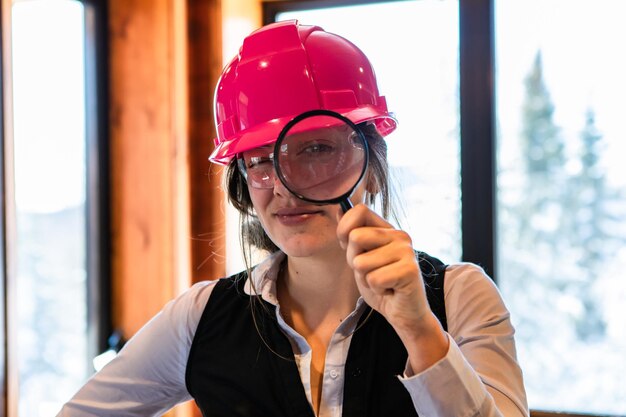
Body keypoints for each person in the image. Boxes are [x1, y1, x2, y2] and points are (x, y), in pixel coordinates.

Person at [57, 20, 528, 417]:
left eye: (317, 149)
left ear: (373, 166)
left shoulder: (459, 297)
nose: (283, 184)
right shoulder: (200, 319)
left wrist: (420, 330)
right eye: (260, 160)